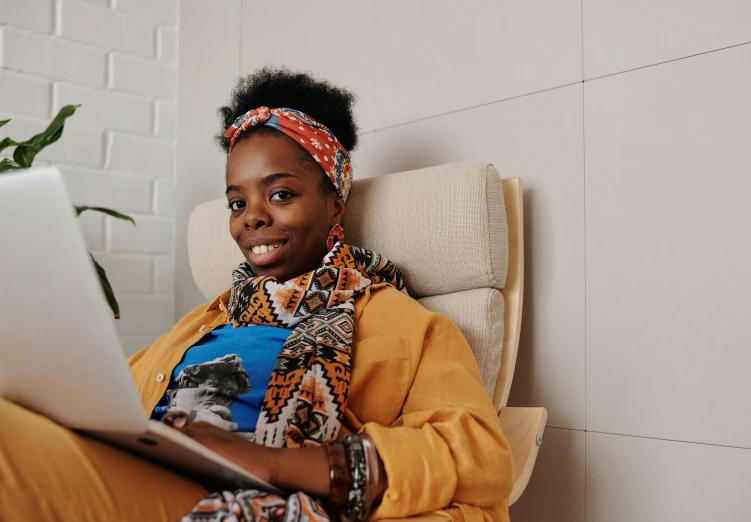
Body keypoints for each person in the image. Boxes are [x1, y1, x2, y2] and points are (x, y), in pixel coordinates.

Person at [0, 67, 512, 522]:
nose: (252, 216)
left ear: (335, 205)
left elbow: (477, 454)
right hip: (138, 470)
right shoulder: (206, 320)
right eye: (236, 201)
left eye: (281, 194)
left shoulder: (402, 323)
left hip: (225, 499)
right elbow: (108, 403)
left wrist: (270, 460)